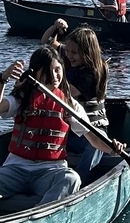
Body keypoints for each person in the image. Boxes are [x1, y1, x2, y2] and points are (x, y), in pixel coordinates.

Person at [0, 45, 124, 221]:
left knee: (71, 179)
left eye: (58, 70)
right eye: (48, 71)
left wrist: (112, 148)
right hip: (15, 168)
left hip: (51, 171)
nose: (55, 76)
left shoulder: (69, 104)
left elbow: (93, 138)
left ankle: (38, 222)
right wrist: (3, 79)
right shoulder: (22, 98)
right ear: (36, 73)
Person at [40, 22, 110, 176]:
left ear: (87, 53)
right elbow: (46, 43)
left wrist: (45, 82)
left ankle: (82, 177)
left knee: (94, 145)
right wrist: (55, 27)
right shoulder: (70, 55)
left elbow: (67, 93)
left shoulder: (91, 73)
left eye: (74, 53)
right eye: (67, 51)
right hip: (72, 131)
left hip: (92, 131)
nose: (69, 55)